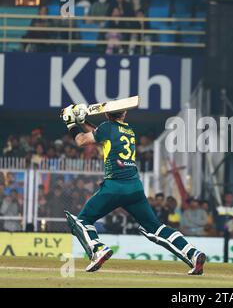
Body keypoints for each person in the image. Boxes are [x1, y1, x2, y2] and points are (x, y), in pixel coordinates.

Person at [60, 104, 206, 275]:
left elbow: (81, 140)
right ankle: (193, 253)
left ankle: (98, 249)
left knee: (82, 221)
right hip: (134, 189)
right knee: (155, 227)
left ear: (107, 114)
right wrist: (83, 121)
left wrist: (71, 124)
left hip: (114, 187)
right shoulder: (129, 130)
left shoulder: (107, 128)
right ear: (125, 114)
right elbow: (99, 132)